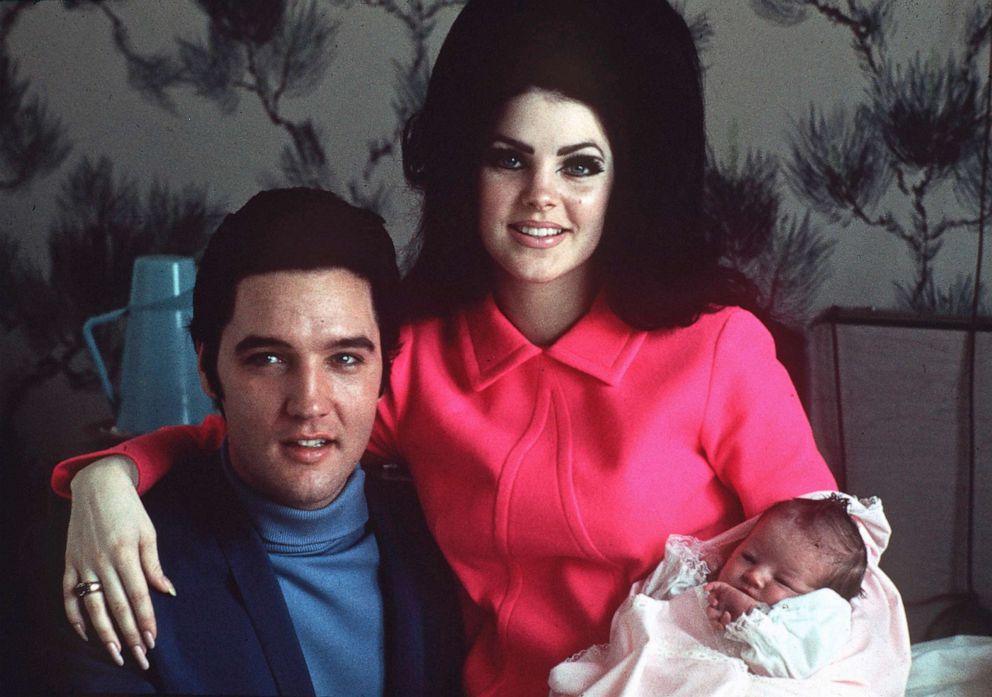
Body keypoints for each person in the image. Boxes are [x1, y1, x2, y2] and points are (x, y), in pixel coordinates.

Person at [50, 1, 910, 695]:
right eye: (510, 158)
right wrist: (106, 476)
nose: (541, 197)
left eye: (580, 165)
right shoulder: (417, 356)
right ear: (470, 168)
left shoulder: (719, 351)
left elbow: (832, 573)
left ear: (628, 179)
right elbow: (261, 429)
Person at [56, 188, 463, 696]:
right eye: (268, 358)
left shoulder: (448, 536)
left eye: (345, 359)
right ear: (207, 368)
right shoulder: (117, 561)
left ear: (386, 370)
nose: (309, 403)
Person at [549, 493, 886, 696]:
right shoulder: (704, 577)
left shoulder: (817, 619)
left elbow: (791, 662)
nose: (754, 576)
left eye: (783, 580)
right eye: (749, 557)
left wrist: (748, 617)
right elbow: (663, 611)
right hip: (661, 663)